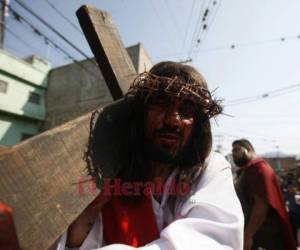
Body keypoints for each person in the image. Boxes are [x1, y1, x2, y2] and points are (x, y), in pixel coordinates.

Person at [56, 61, 243, 249]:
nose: (172, 120)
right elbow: (77, 242)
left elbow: (214, 242)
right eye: (161, 102)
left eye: (186, 110)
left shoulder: (211, 169)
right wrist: (90, 212)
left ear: (197, 125)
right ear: (142, 112)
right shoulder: (113, 176)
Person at [232, 139, 297, 250]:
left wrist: (248, 235)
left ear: (249, 150)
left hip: (266, 236)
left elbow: (261, 205)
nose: (234, 153)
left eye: (237, 149)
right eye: (233, 151)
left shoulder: (260, 169)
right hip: (255, 233)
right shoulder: (246, 171)